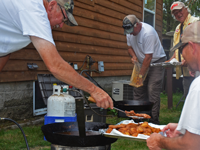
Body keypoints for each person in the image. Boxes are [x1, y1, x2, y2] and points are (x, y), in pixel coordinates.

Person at [0, 0, 113, 109]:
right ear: (52, 5)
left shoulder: (31, 18)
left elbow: (6, 48)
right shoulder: (34, 10)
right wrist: (94, 90)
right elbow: (55, 66)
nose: (61, 25)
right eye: (63, 19)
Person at [147, 21, 200, 150]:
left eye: (181, 49)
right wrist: (186, 127)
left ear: (192, 47)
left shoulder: (198, 87)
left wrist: (160, 141)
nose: (182, 55)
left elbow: (191, 145)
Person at [122, 15, 166, 124]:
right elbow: (129, 48)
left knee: (152, 90)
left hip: (156, 62)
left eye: (132, 30)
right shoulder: (129, 32)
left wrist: (140, 76)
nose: (130, 33)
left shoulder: (148, 33)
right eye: (128, 31)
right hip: (142, 62)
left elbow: (149, 57)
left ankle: (153, 120)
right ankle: (138, 118)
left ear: (137, 24)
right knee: (138, 89)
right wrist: (134, 56)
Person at [167, 1, 199, 98]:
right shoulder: (177, 28)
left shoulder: (195, 21)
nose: (178, 14)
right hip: (185, 69)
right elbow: (177, 49)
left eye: (180, 11)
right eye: (175, 13)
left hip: (196, 66)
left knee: (197, 94)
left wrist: (188, 60)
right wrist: (171, 60)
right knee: (188, 95)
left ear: (185, 9)